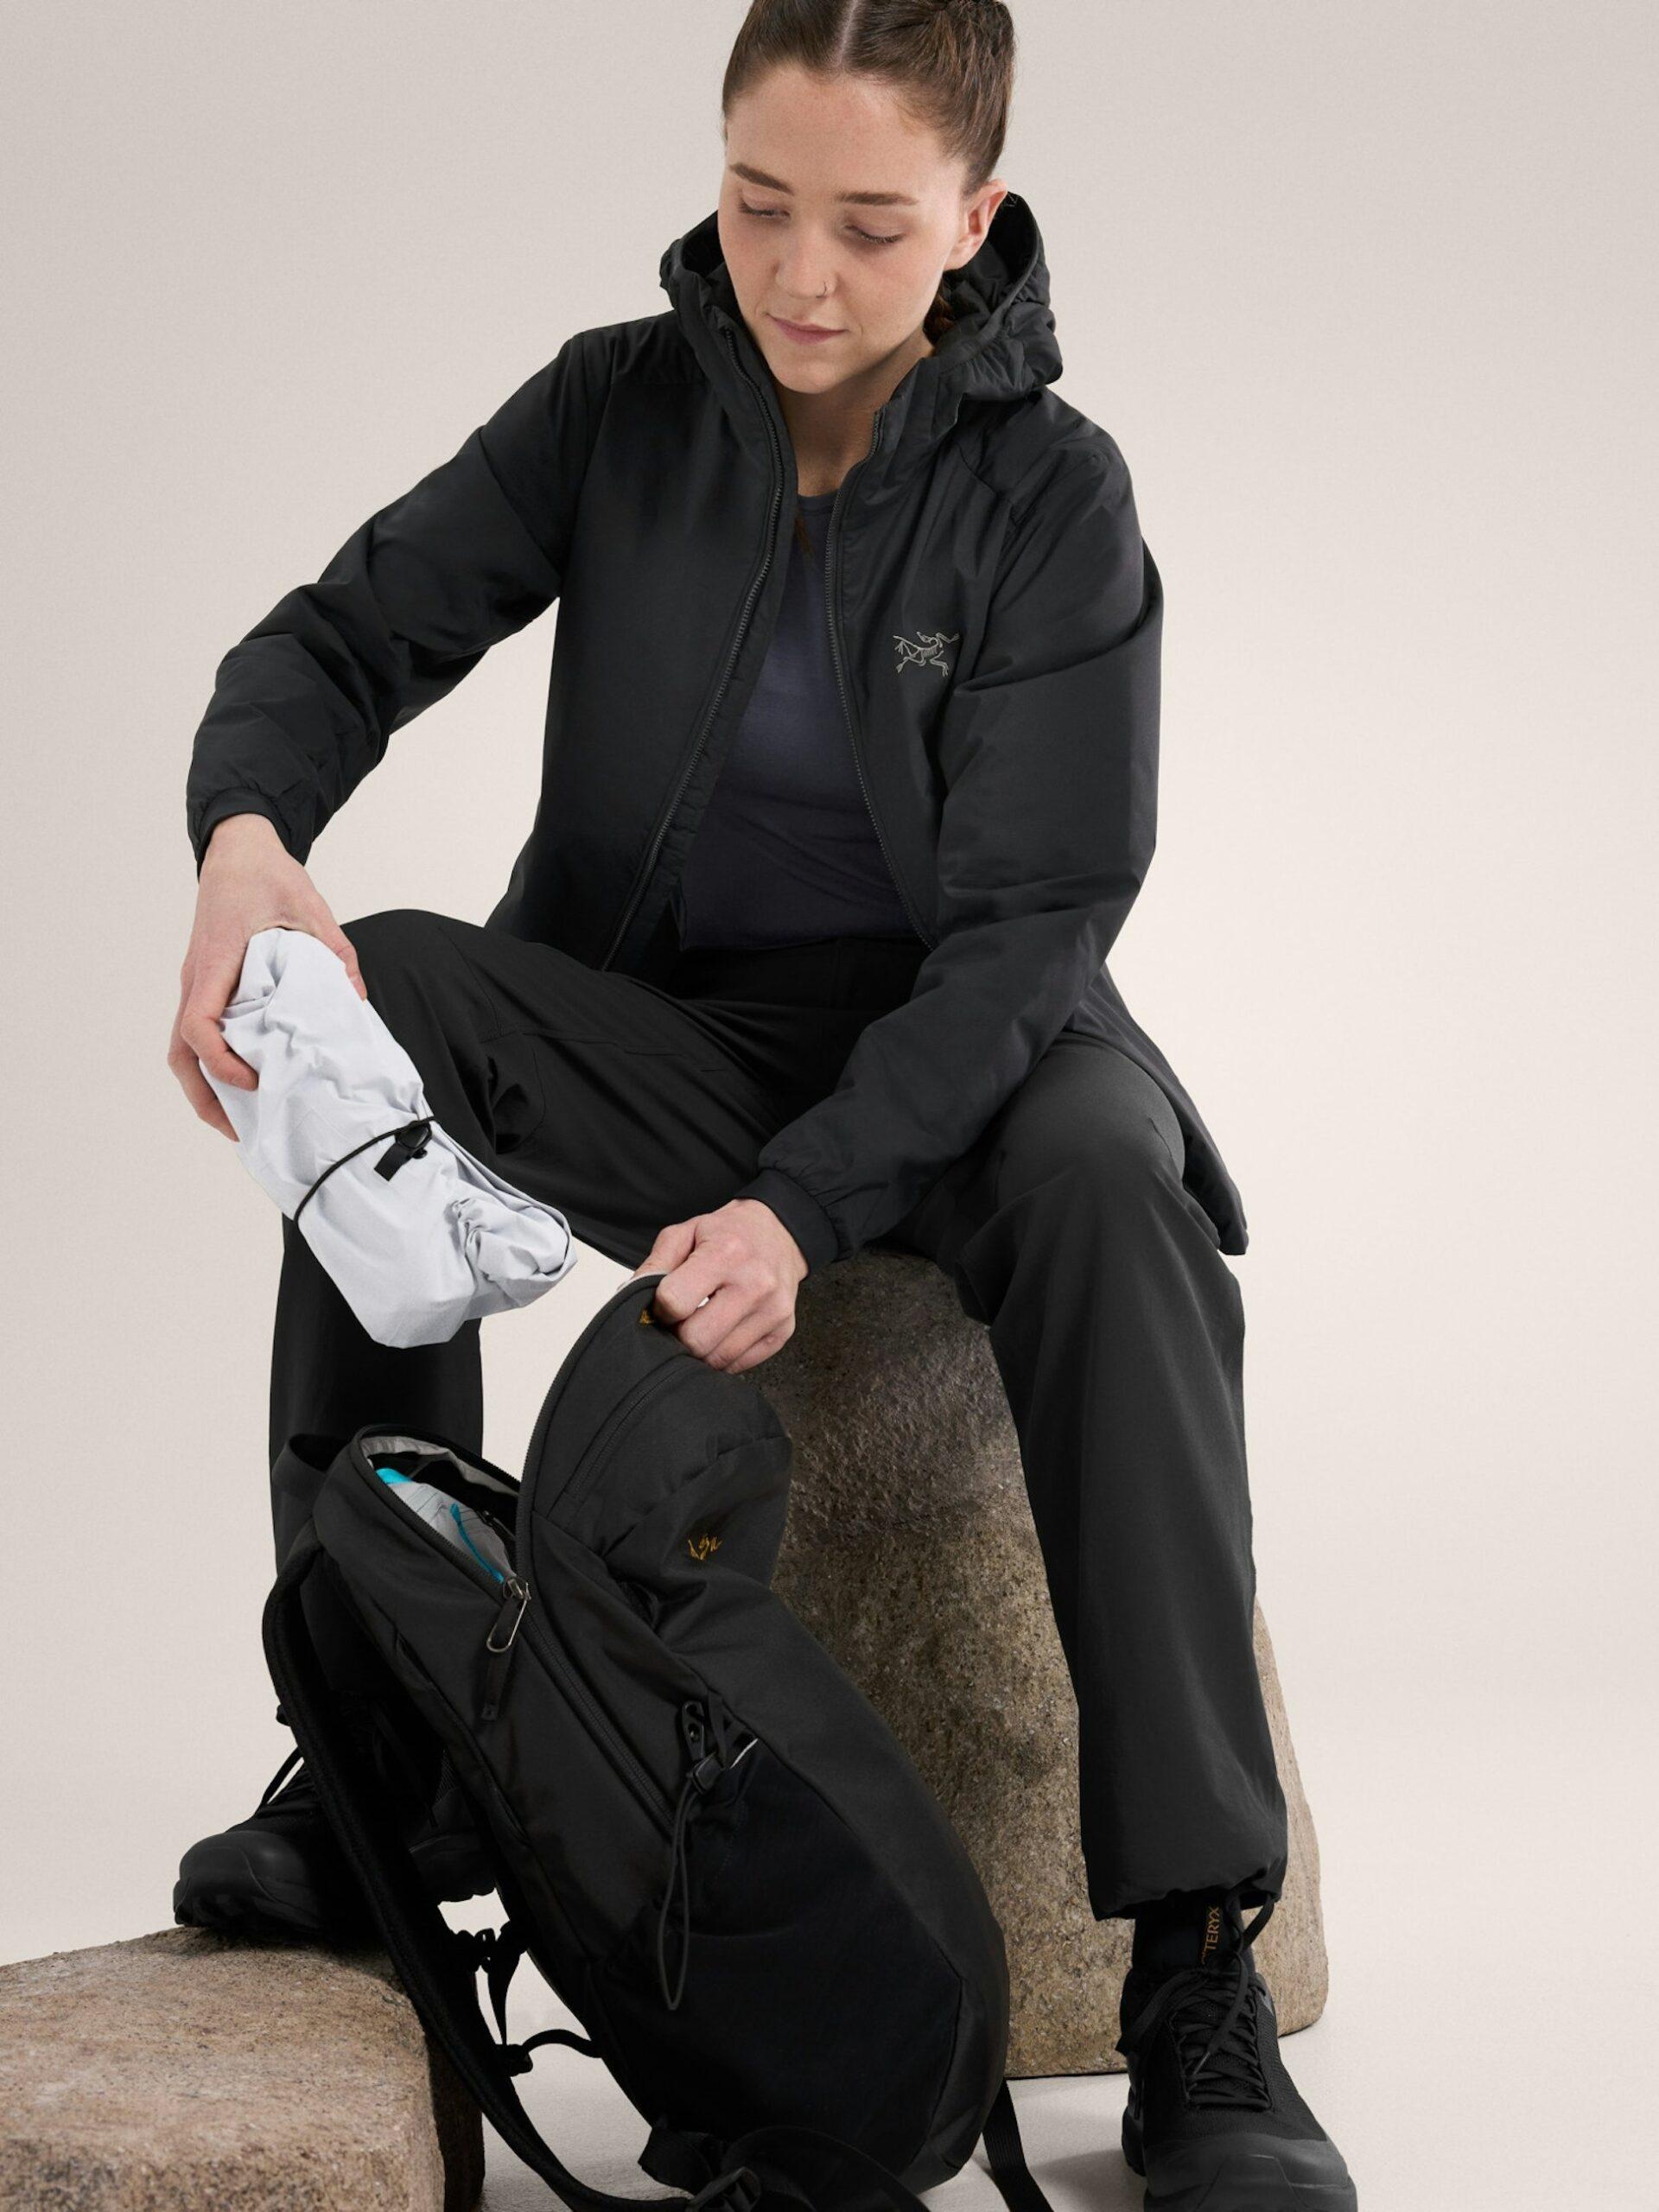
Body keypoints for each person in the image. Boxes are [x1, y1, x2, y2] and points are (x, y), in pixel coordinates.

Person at [166, 4, 1357, 2205]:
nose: (803, 275)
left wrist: (803, 1208)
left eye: (872, 226)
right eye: (757, 204)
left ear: (977, 221)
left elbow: (1035, 930)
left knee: (1118, 1191)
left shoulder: (1054, 499)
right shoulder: (614, 408)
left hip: (981, 1060)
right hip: (670, 1033)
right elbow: (337, 638)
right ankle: (383, 1745)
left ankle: (1196, 1961)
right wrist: (248, 838)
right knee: (363, 1000)